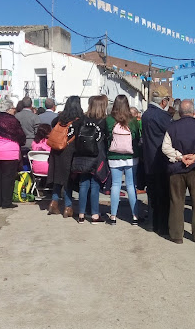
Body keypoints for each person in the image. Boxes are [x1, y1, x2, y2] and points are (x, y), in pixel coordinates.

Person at [162, 99, 195, 244]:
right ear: (193, 112)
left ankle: (177, 235)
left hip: (177, 169)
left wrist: (180, 156)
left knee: (176, 202)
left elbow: (165, 147)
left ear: (179, 112)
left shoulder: (172, 128)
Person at [72, 95, 108, 224]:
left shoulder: (82, 119)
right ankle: (95, 215)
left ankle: (81, 214)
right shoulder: (104, 121)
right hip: (97, 155)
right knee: (95, 185)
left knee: (83, 184)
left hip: (82, 154)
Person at [141, 86, 172, 236]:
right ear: (163, 101)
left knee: (152, 194)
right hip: (161, 159)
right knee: (163, 195)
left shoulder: (146, 114)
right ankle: (162, 225)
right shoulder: (162, 116)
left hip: (148, 158)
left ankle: (151, 223)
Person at [106, 94, 141, 226]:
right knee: (131, 185)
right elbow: (137, 137)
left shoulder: (109, 120)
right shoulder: (133, 120)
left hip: (114, 156)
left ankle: (113, 216)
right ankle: (135, 216)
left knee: (115, 185)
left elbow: (107, 137)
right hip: (131, 157)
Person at [47, 95, 84, 217]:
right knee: (68, 180)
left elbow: (53, 125)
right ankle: (68, 207)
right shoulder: (80, 120)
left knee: (58, 178)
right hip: (70, 151)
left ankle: (54, 202)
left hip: (56, 151)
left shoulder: (60, 119)